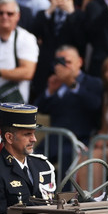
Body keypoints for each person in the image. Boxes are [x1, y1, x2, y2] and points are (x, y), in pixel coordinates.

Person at [0, 103, 55, 214]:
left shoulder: (43, 165)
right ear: (9, 138)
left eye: (33, 133)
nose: (34, 139)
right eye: (27, 134)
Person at [35, 45, 102, 173]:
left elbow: (94, 105)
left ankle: (66, 194)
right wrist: (50, 91)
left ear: (80, 62)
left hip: (78, 140)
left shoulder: (92, 83)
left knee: (69, 170)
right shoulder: (55, 84)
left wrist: (72, 84)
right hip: (54, 139)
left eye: (68, 62)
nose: (64, 66)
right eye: (59, 62)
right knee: (33, 160)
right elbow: (39, 108)